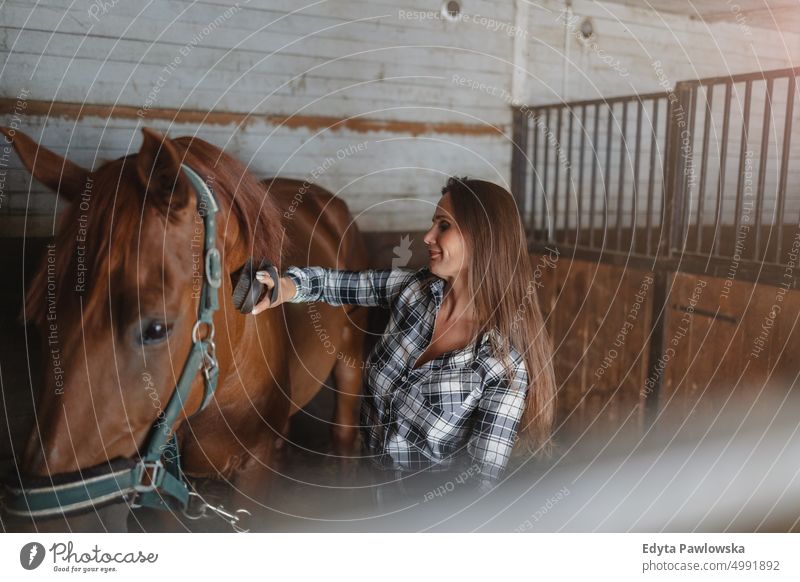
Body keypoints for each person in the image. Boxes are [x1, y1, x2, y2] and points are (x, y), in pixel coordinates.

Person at [252, 176, 556, 503]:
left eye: (443, 226)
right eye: (432, 224)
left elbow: (477, 486)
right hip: (367, 495)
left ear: (482, 238)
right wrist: (282, 287)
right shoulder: (413, 292)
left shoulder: (503, 367)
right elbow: (333, 284)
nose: (427, 237)